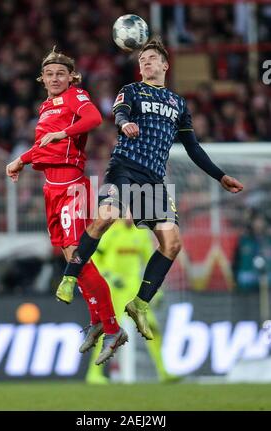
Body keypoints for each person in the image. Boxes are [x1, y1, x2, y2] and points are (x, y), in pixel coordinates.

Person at [54, 37, 244, 341]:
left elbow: (193, 148)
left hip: (153, 181)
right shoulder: (131, 90)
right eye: (142, 59)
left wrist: (220, 177)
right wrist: (125, 122)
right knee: (106, 216)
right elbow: (120, 113)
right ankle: (68, 278)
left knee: (172, 244)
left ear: (165, 65)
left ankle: (139, 304)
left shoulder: (178, 103)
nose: (146, 62)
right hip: (124, 168)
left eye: (152, 58)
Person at [6, 47, 128, 365]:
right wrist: (20, 160)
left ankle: (113, 329)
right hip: (50, 188)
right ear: (42, 79)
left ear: (70, 77)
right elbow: (43, 146)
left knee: (78, 256)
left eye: (61, 73)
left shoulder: (77, 96)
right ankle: (98, 320)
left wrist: (63, 131)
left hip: (72, 186)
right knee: (68, 255)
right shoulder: (46, 106)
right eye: (50, 74)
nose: (55, 78)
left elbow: (95, 118)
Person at [85, 217, 179, 384]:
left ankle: (163, 371)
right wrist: (110, 276)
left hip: (134, 290)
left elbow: (152, 263)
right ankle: (94, 374)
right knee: (107, 330)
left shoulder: (141, 234)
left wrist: (155, 291)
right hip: (113, 290)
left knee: (151, 328)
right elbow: (95, 260)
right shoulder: (110, 232)